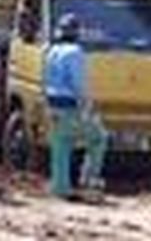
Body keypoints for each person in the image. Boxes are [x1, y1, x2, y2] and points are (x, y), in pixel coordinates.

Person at [44, 12, 108, 199]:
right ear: (76, 33)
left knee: (61, 146)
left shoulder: (51, 51)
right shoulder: (75, 52)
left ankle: (60, 187)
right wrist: (87, 105)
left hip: (53, 103)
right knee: (98, 138)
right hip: (70, 104)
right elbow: (78, 83)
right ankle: (89, 180)